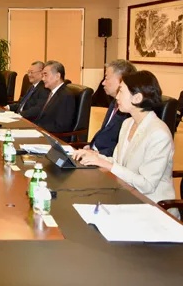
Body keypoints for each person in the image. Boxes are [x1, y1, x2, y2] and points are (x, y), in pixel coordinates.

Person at [73, 71, 176, 216]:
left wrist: (106, 164)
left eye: (121, 91)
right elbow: (117, 163)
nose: (117, 96)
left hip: (152, 206)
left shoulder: (159, 134)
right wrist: (95, 157)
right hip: (126, 194)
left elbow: (147, 185)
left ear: (137, 98)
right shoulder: (128, 123)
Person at [79, 60, 137, 157]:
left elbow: (122, 148)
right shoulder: (114, 102)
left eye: (106, 78)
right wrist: (90, 146)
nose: (103, 83)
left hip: (107, 159)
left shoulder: (130, 111)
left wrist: (98, 154)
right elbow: (104, 132)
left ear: (122, 80)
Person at [34, 60, 75, 133]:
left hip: (54, 136)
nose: (43, 79)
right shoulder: (51, 93)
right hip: (42, 132)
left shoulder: (66, 96)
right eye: (42, 76)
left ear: (57, 76)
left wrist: (37, 129)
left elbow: (61, 126)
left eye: (46, 75)